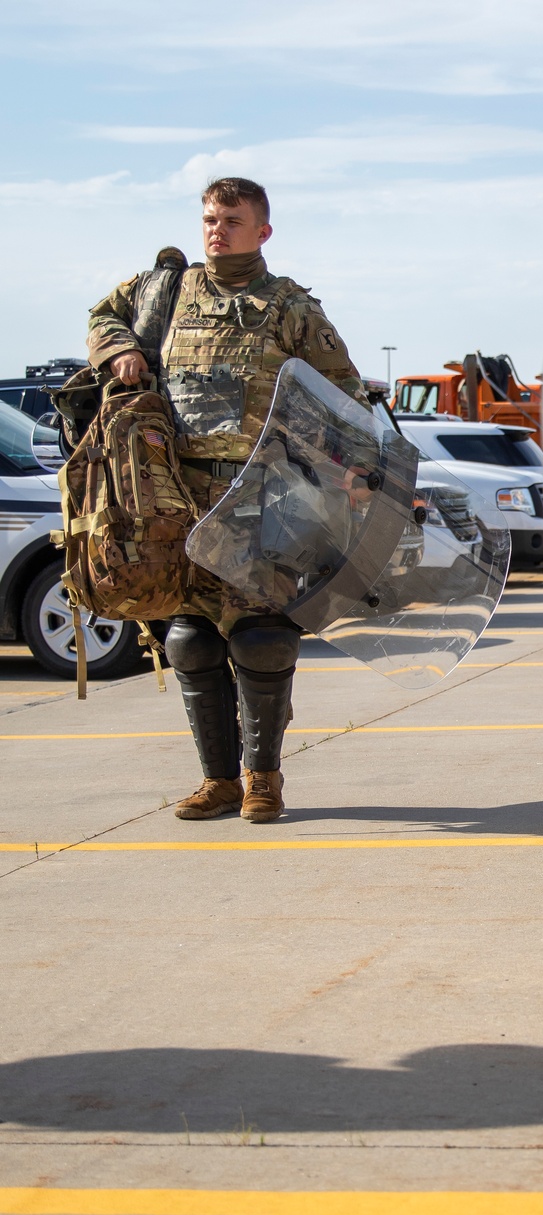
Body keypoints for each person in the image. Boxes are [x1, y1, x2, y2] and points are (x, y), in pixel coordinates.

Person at [87, 177, 369, 823]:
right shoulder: (163, 291)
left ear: (262, 231)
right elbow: (102, 316)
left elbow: (343, 391)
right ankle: (216, 781)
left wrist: (353, 471)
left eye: (232, 220)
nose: (217, 230)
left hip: (260, 492)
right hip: (175, 494)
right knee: (191, 638)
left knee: (263, 637)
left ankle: (262, 778)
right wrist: (124, 347)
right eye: (210, 218)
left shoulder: (289, 305)